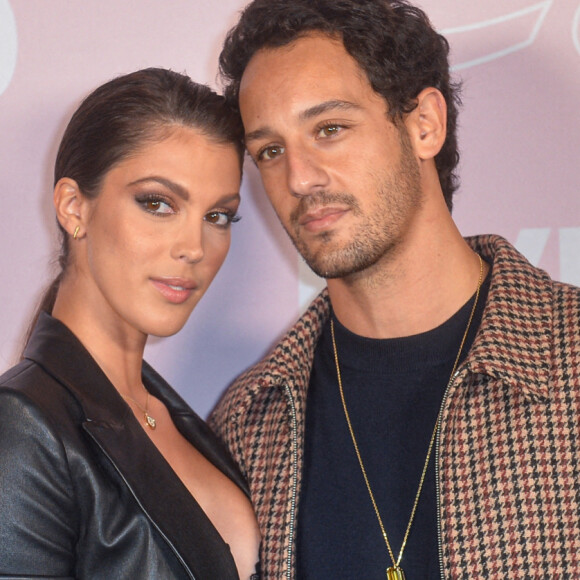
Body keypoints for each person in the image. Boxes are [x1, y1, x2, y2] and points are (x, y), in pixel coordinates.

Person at [208, 1, 580, 578]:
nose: (299, 178)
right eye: (271, 151)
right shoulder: (250, 425)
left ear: (424, 124)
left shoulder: (569, 359)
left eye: (329, 129)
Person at [0, 68, 261, 580]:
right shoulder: (22, 426)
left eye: (218, 216)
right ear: (74, 207)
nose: (194, 248)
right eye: (157, 203)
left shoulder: (180, 420)